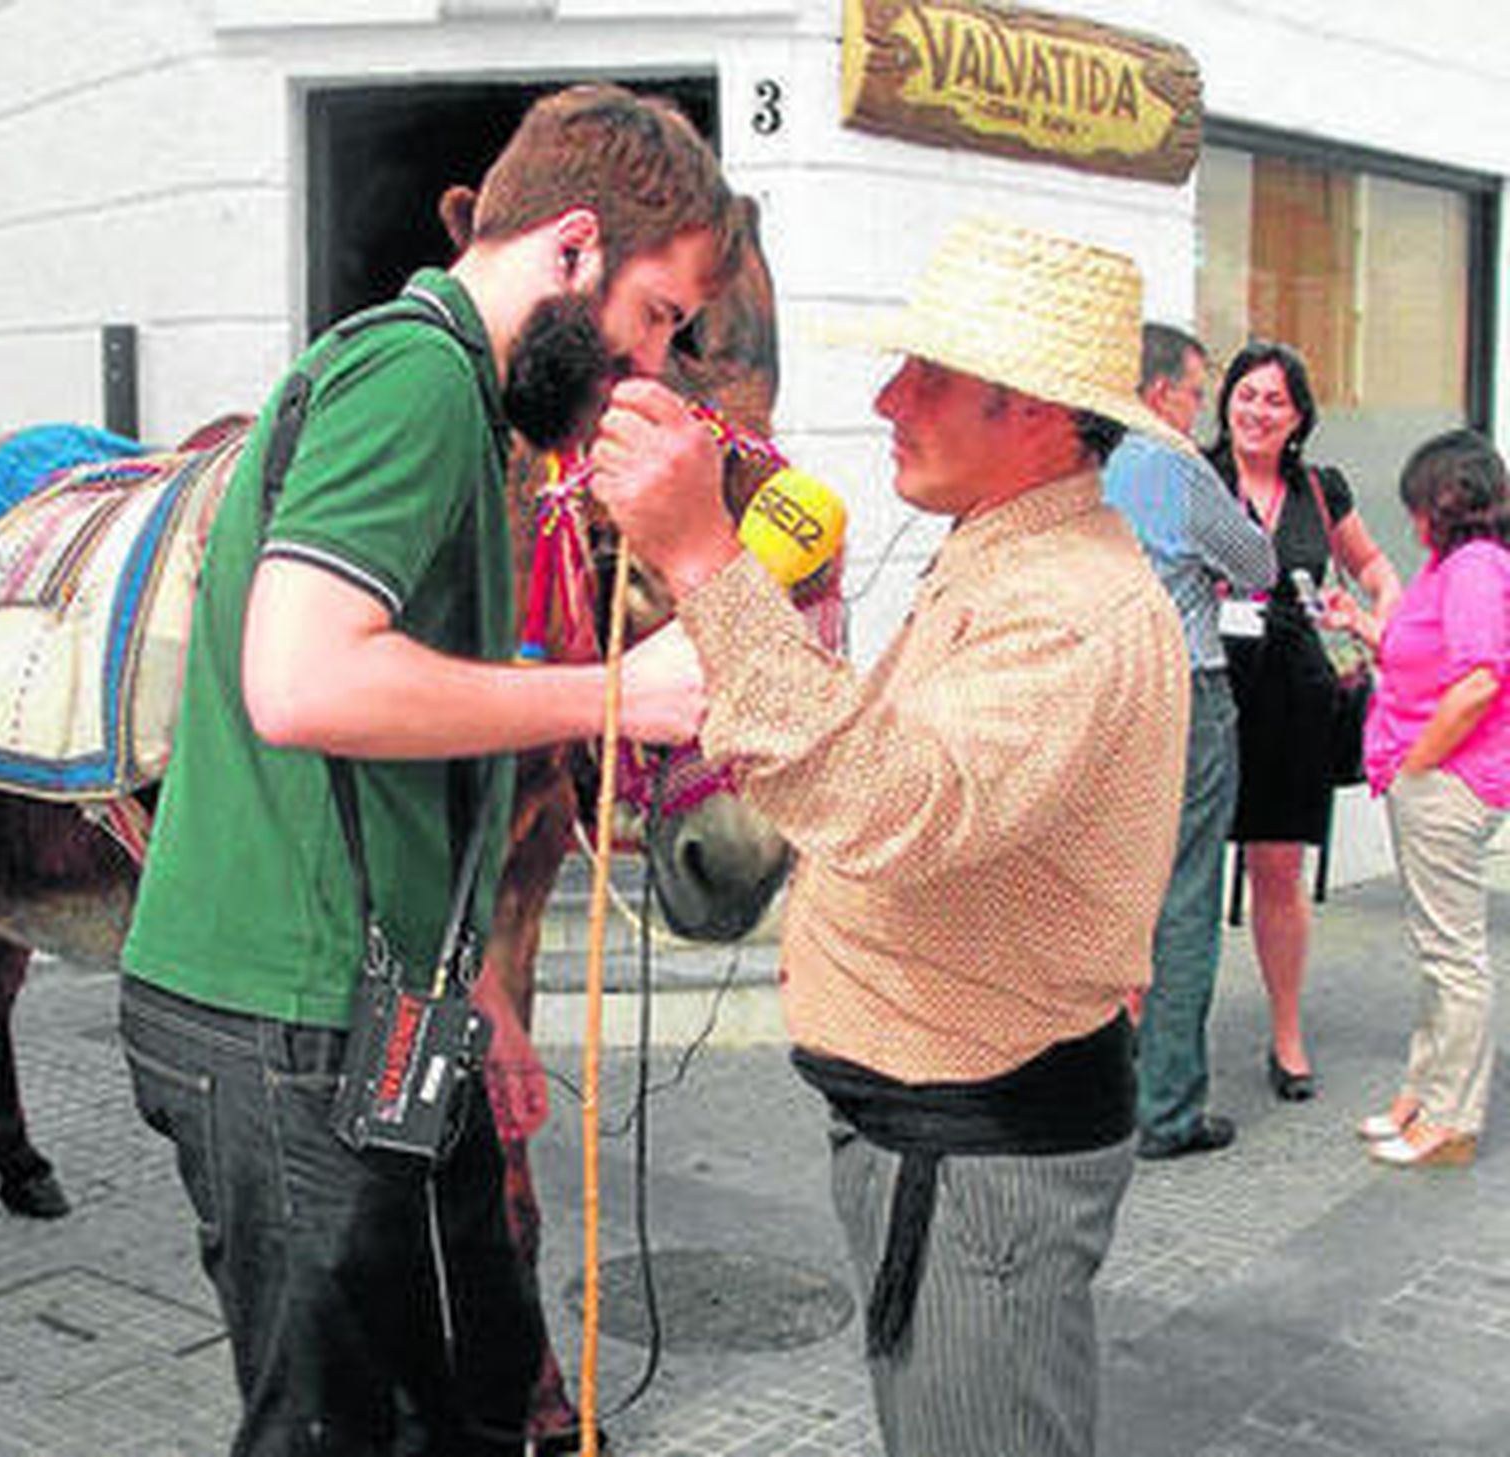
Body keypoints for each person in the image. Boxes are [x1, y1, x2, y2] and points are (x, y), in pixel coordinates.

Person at [118, 83, 731, 1457]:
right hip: (278, 1017)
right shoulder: (411, 376)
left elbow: (413, 752)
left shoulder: (465, 397)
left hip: (365, 1003)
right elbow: (305, 681)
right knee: (332, 1430)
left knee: (414, 1407)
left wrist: (478, 1003)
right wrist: (617, 691)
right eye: (657, 319)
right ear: (574, 247)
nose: (652, 366)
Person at [591, 216, 1190, 1457]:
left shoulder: (1069, 606)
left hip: (978, 1158)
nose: (884, 398)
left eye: (927, 376)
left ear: (1033, 411)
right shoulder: (1010, 556)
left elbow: (893, 803)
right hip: (940, 1141)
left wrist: (704, 551)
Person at [1205, 341, 1401, 1101]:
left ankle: (1287, 1034)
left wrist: (1375, 612)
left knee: (1276, 872)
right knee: (1176, 871)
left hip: (1292, 695)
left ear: (1298, 417)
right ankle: (1142, 1028)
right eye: (1246, 394)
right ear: (1227, 400)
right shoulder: (1199, 478)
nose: (1256, 410)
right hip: (1209, 686)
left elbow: (1378, 569)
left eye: (1274, 400)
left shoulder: (1321, 489)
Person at [1103, 324, 1277, 1159]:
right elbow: (1258, 562)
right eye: (1196, 390)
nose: (1200, 406)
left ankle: (1104, 1080)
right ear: (1157, 390)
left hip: (1104, 696)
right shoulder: (1172, 462)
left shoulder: (1079, 457)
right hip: (1185, 689)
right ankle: (1167, 1109)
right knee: (1184, 900)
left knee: (1111, 892)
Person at [1332, 429, 1510, 1167]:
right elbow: (1426, 663)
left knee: (1452, 955)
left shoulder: (1474, 568)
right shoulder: (1451, 567)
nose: (1411, 519)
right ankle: (1423, 1095)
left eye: (1417, 502)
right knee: (1437, 951)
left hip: (1447, 781)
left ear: (1444, 499)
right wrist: (1364, 628)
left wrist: (1420, 766)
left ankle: (1451, 1117)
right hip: (1433, 774)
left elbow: (1479, 681)